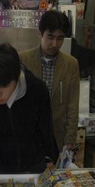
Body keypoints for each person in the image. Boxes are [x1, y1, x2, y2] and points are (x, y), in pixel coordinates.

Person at [0, 42, 59, 174]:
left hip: (35, 163)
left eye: (4, 85)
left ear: (15, 76)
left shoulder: (37, 89)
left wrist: (50, 157)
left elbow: (46, 126)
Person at [19, 10, 79, 153]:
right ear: (40, 33)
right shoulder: (23, 59)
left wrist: (70, 138)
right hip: (28, 133)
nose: (54, 43)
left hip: (56, 134)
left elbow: (72, 103)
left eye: (60, 39)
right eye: (50, 37)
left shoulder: (71, 64)